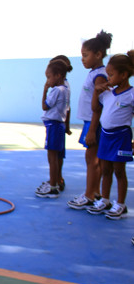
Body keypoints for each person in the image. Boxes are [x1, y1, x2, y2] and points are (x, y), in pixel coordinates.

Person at [67, 30, 112, 210]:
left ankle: (89, 195)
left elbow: (98, 106)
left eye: (85, 55)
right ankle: (94, 192)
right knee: (95, 160)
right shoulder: (96, 72)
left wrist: (92, 129)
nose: (82, 59)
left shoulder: (99, 75)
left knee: (92, 160)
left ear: (98, 54)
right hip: (91, 122)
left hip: (94, 123)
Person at [86, 51, 134, 219]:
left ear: (124, 75)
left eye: (111, 75)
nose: (108, 78)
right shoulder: (107, 93)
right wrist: (96, 91)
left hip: (121, 137)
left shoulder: (131, 94)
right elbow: (95, 109)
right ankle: (105, 200)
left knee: (119, 171)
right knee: (106, 169)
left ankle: (120, 204)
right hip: (106, 136)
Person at [35, 60, 71, 198]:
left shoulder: (56, 90)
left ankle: (53, 186)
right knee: (56, 156)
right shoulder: (66, 89)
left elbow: (45, 106)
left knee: (52, 157)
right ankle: (54, 183)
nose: (47, 80)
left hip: (54, 125)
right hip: (59, 125)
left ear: (58, 75)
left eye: (49, 77)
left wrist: (44, 91)